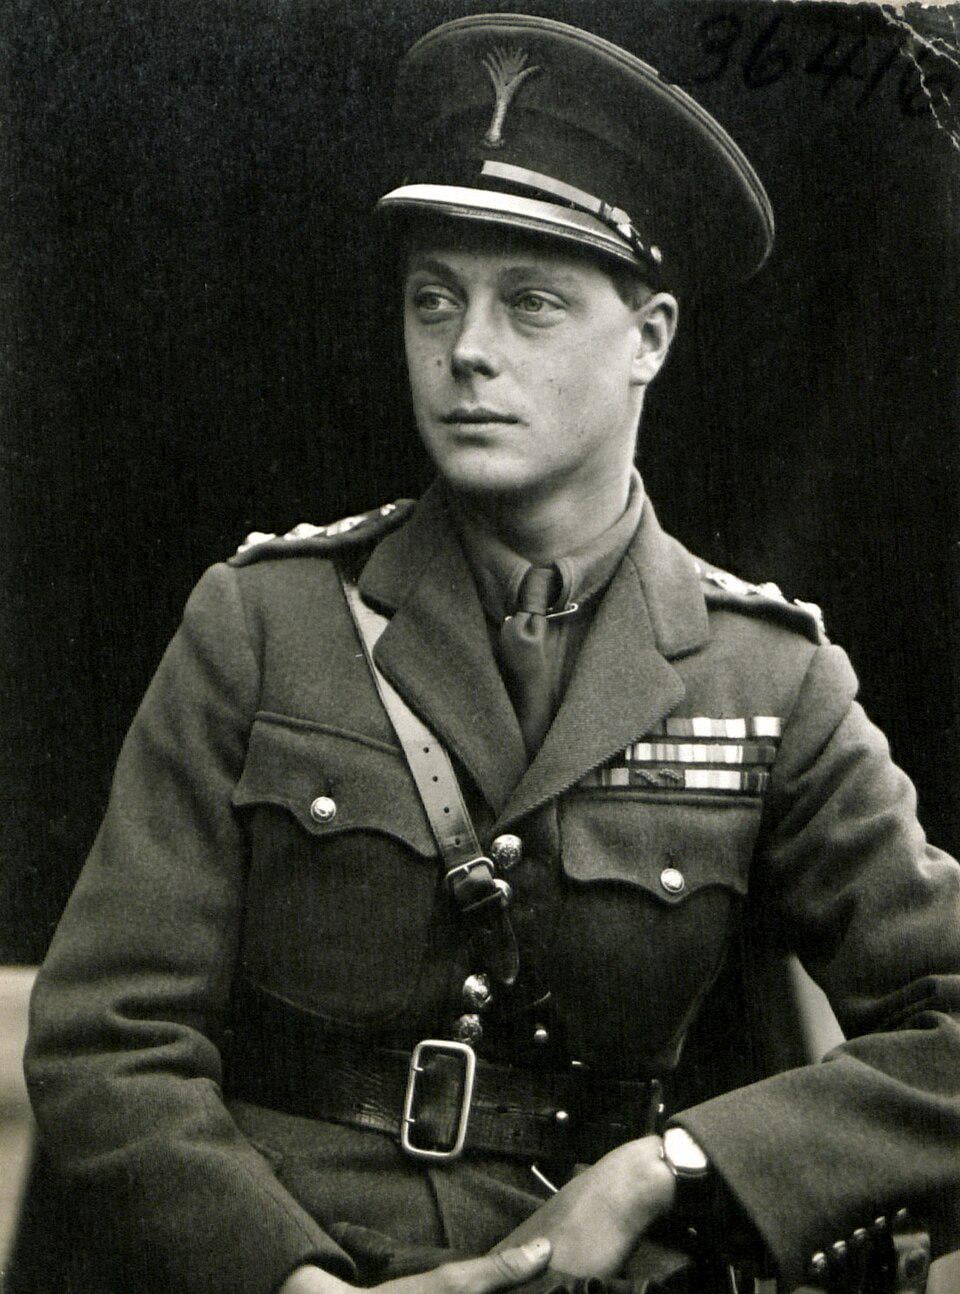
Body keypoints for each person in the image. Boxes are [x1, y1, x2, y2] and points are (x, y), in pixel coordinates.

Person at [20, 13, 960, 1294]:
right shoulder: (262, 623)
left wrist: (673, 1167)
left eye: (530, 303)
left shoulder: (767, 678)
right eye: (434, 300)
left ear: (651, 337)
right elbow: (107, 1039)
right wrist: (294, 1283)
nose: (467, 348)